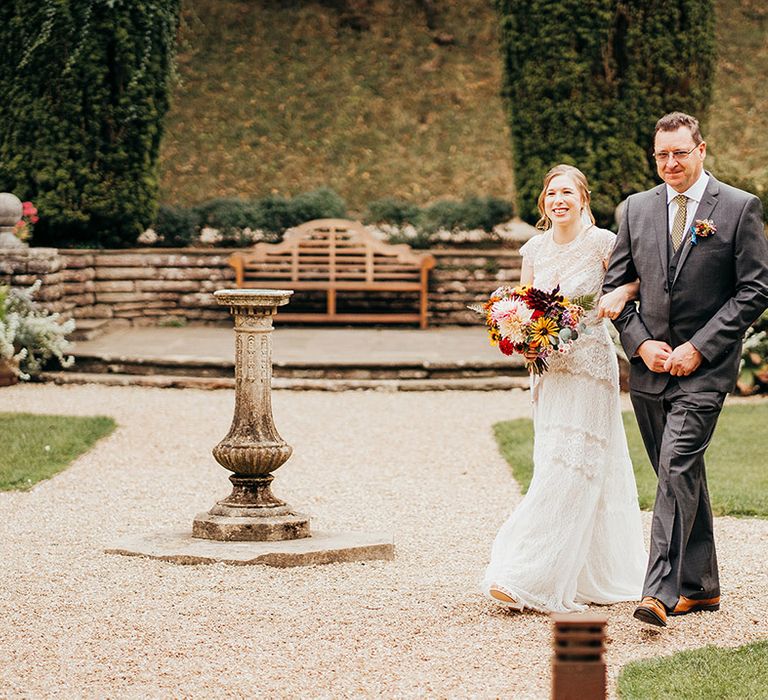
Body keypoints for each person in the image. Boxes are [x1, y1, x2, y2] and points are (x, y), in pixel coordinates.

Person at [603, 112, 768, 627]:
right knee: (680, 472)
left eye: (679, 152)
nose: (670, 163)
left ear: (702, 150)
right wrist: (639, 343)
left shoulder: (739, 209)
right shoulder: (634, 209)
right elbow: (618, 287)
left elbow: (755, 289)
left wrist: (699, 347)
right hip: (650, 370)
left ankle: (658, 591)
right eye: (661, 155)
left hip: (705, 367)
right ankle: (702, 586)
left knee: (674, 467)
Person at [481, 164, 647, 613]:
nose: (559, 200)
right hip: (550, 372)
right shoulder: (534, 248)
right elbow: (524, 302)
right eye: (551, 193)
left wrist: (618, 297)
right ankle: (581, 573)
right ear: (543, 202)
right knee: (553, 460)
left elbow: (634, 281)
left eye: (567, 192)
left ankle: (527, 574)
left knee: (575, 465)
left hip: (591, 369)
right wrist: (517, 334)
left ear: (583, 199)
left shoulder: (603, 244)